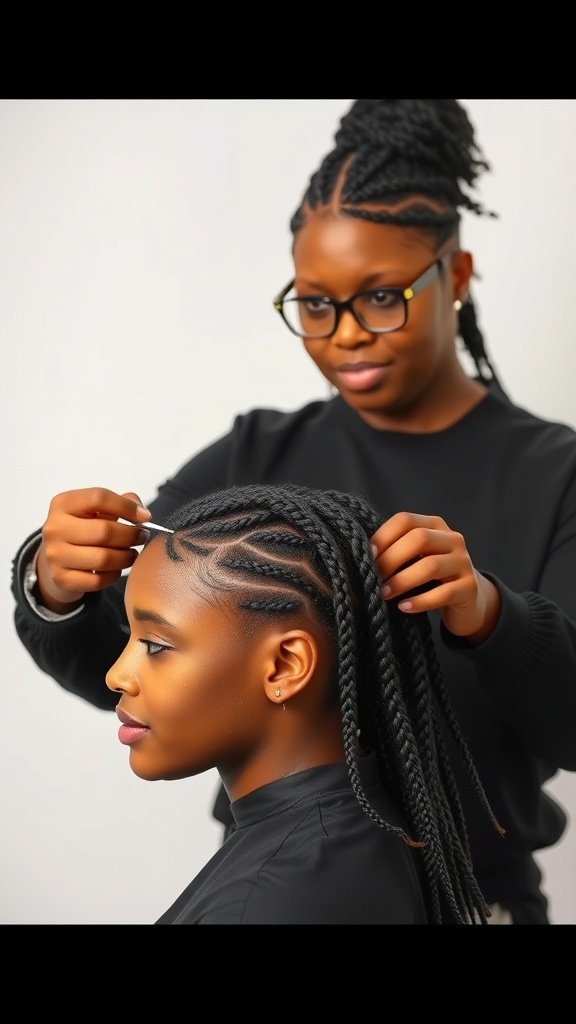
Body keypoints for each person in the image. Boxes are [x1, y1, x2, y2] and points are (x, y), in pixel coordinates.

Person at [10, 99, 576, 925]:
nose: (345, 336)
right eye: (314, 305)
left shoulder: (556, 476)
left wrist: (491, 615)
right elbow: (145, 669)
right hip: (279, 887)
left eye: (380, 297)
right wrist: (55, 585)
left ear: (456, 276)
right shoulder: (254, 457)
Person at [107, 481, 500, 925]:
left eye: (155, 645)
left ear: (285, 666)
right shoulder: (355, 833)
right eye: (129, 636)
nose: (115, 675)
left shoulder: (265, 903)